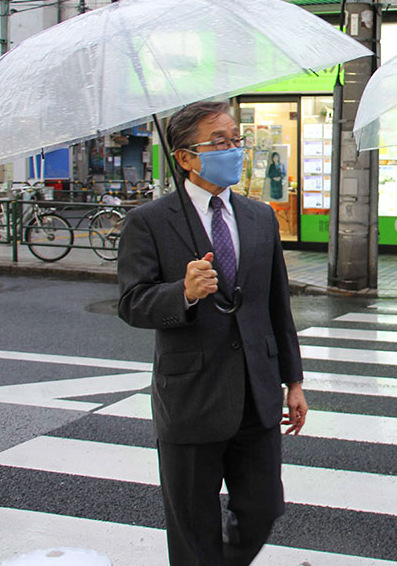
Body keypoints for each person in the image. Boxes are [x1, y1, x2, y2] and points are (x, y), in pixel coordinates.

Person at [117, 101, 307, 565]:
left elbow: (276, 305)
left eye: (235, 140)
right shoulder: (151, 221)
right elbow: (131, 302)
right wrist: (181, 292)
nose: (232, 150)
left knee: (263, 509)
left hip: (256, 394)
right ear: (185, 157)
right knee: (192, 527)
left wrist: (294, 381)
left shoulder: (260, 217)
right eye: (218, 142)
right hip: (192, 396)